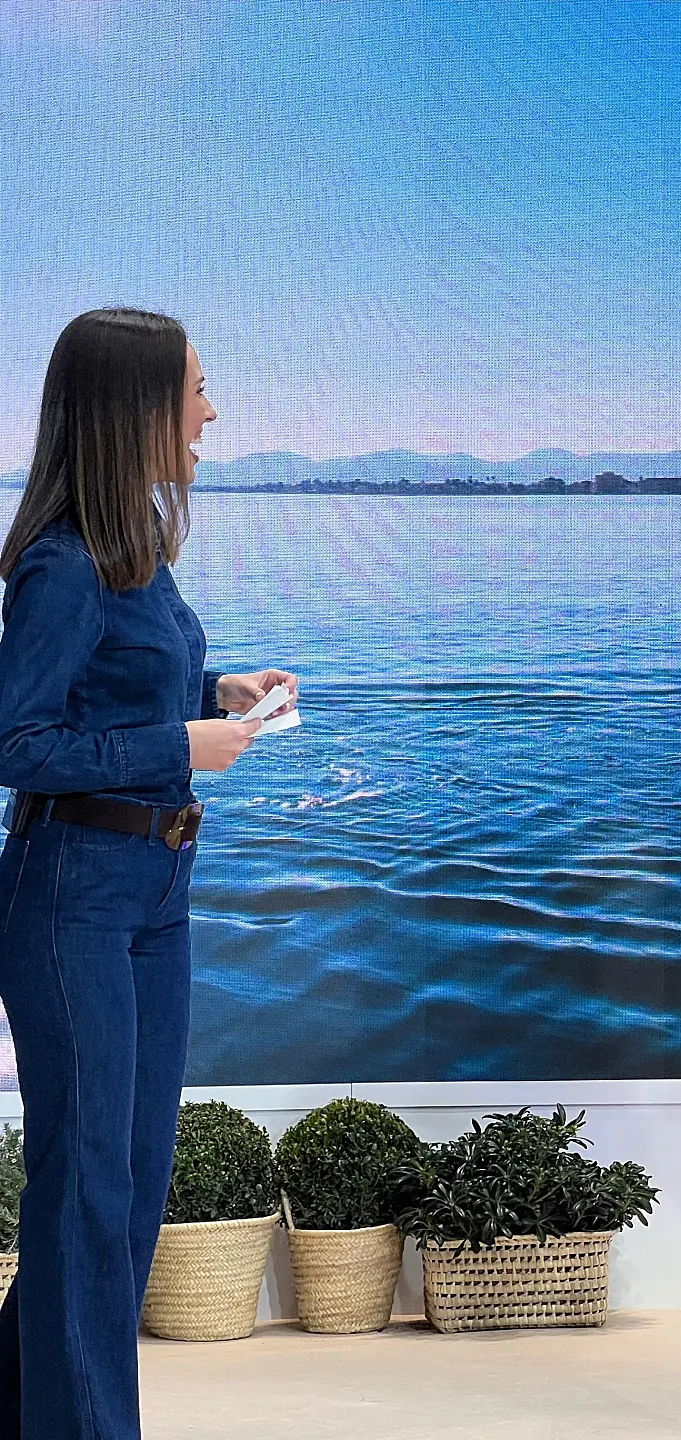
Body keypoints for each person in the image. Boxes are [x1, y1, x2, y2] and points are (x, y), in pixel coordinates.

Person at [0, 309, 296, 1440]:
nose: (212, 412)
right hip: (72, 890)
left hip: (154, 892)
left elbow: (118, 687)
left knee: (124, 1191)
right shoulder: (62, 561)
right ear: (139, 410)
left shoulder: (135, 553)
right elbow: (14, 743)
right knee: (89, 1195)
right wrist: (178, 747)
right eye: (198, 391)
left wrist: (210, 694)